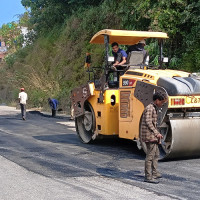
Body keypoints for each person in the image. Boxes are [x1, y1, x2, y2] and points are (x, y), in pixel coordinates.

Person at [141, 91, 168, 184]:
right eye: (162, 102)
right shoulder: (149, 108)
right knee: (150, 156)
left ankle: (155, 173)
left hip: (152, 135)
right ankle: (148, 176)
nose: (162, 104)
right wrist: (157, 133)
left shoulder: (154, 108)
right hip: (149, 136)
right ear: (157, 100)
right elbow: (148, 122)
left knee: (156, 154)